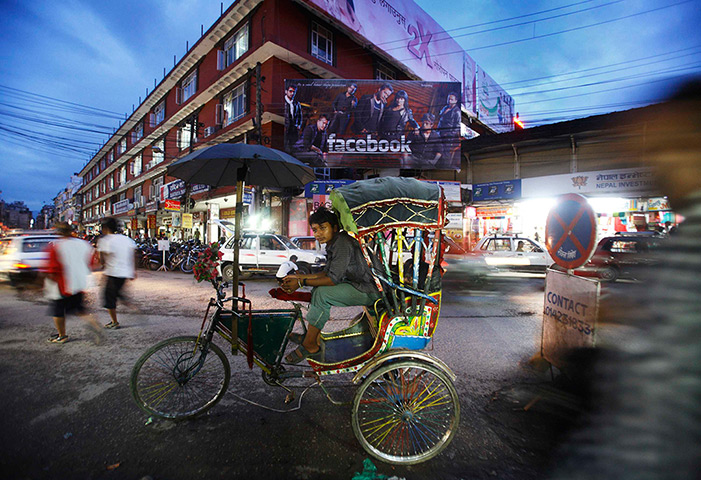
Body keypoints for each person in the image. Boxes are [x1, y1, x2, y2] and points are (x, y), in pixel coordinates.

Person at [281, 207, 380, 363]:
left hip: (369, 289)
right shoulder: (334, 243)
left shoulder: (342, 243)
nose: (318, 233)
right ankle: (313, 337)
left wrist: (301, 281)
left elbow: (332, 279)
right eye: (315, 230)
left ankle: (309, 345)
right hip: (357, 284)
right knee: (318, 289)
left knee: (322, 294)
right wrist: (299, 276)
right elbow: (326, 273)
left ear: (335, 228)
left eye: (323, 228)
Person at [42, 222, 102, 344]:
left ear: (59, 232)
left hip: (62, 285)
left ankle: (62, 335)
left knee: (58, 311)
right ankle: (95, 325)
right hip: (79, 284)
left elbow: (52, 269)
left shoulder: (56, 247)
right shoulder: (84, 244)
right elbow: (92, 263)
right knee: (80, 310)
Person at [97, 217, 136, 329]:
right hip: (125, 273)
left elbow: (102, 260)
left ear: (105, 228)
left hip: (113, 273)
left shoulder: (105, 241)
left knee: (109, 298)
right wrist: (133, 270)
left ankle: (114, 321)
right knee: (116, 293)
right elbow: (133, 255)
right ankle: (127, 303)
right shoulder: (126, 239)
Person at [436, 92, 461, 165]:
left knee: (445, 153)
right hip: (439, 132)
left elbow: (457, 126)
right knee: (438, 150)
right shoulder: (445, 107)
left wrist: (449, 134)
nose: (449, 101)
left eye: (451, 99)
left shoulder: (457, 111)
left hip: (447, 135)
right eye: (448, 99)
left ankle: (445, 167)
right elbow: (440, 117)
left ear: (455, 101)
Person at [284, 84, 303, 152]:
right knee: (285, 145)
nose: (292, 93)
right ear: (286, 91)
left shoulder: (297, 103)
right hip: (286, 128)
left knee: (294, 146)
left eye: (294, 92)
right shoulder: (283, 102)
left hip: (294, 128)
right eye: (290, 91)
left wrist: (299, 125)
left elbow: (300, 116)